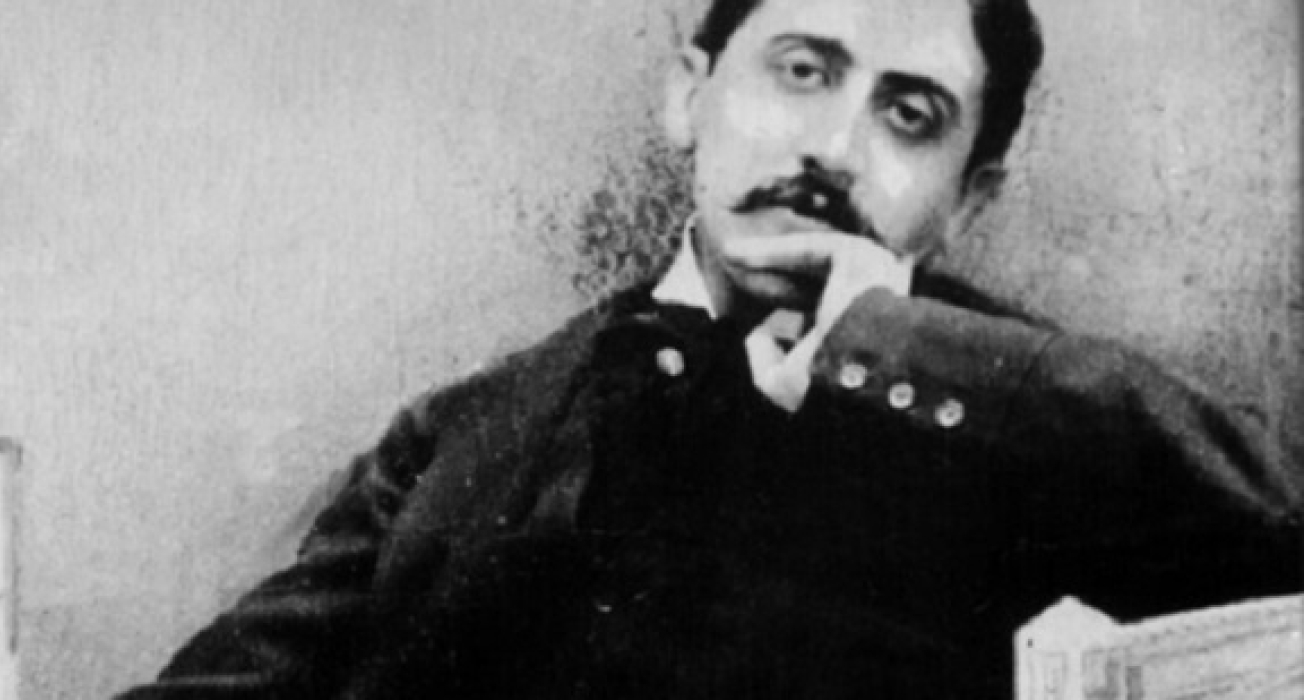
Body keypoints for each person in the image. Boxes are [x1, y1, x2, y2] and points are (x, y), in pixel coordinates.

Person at [119, 0, 1302, 697]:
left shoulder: (1035, 425)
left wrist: (890, 343)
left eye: (910, 115)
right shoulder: (459, 431)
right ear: (688, 97)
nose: (833, 146)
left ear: (968, 199)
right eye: (803, 71)